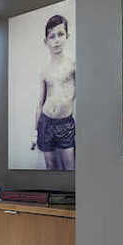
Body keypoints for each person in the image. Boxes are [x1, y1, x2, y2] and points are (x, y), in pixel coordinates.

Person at [33, 14, 76, 170]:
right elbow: (40, 104)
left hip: (65, 124)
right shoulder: (44, 70)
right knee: (51, 166)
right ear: (46, 42)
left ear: (67, 36)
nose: (56, 40)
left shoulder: (73, 66)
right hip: (46, 123)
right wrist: (35, 132)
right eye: (52, 36)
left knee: (70, 167)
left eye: (60, 34)